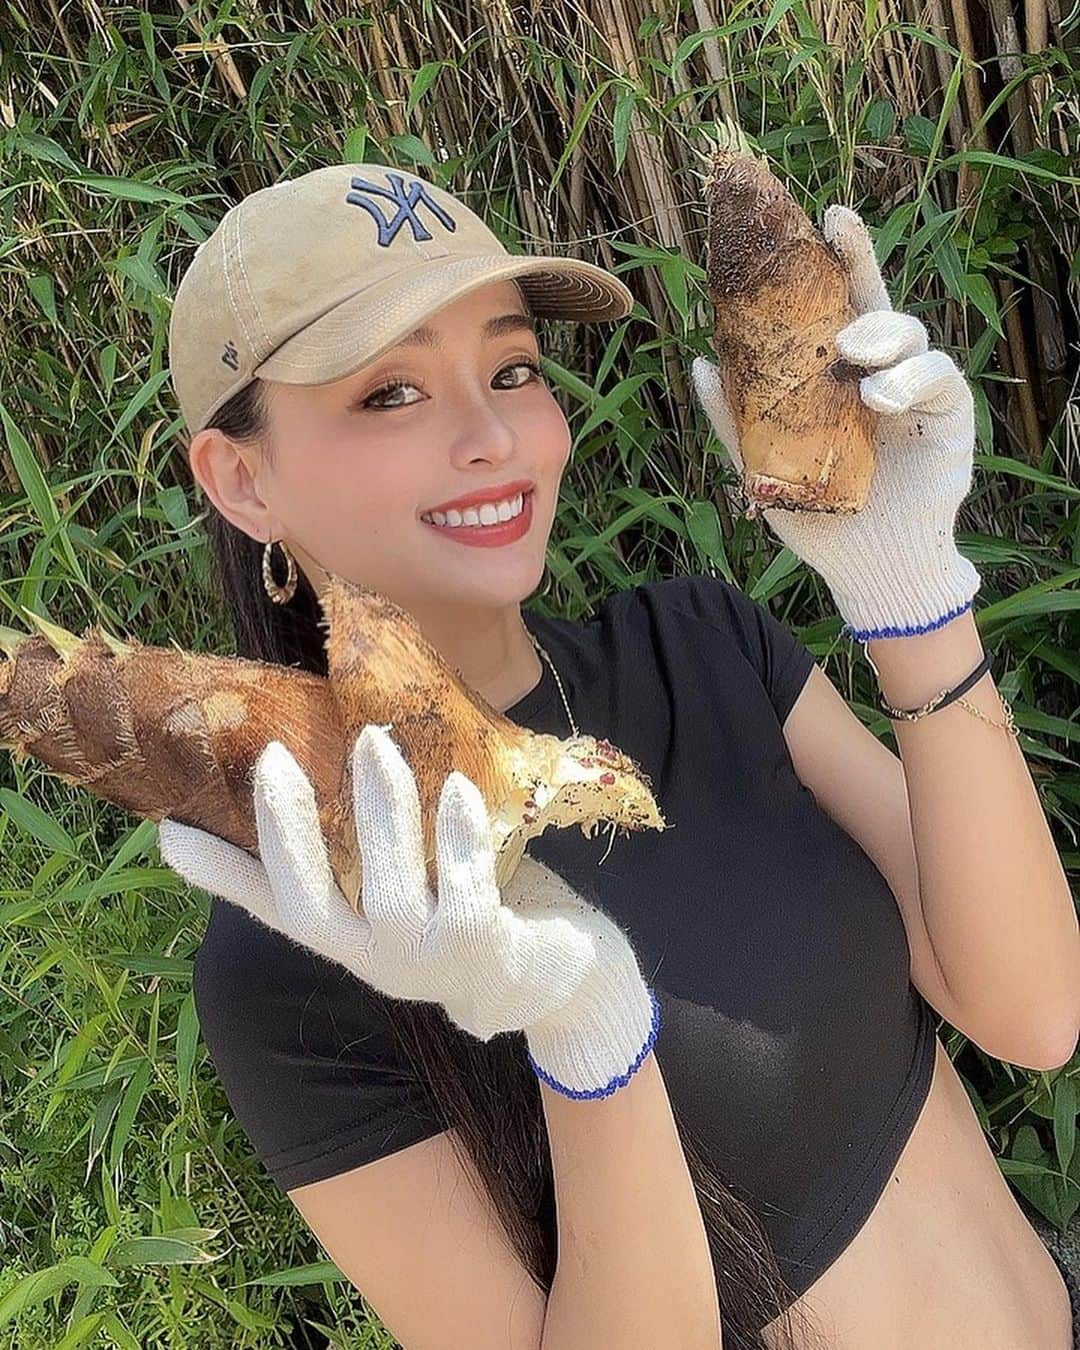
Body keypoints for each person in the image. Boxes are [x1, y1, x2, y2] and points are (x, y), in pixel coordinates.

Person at [159, 162, 1080, 1349]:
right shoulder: (310, 935)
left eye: (511, 369)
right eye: (391, 394)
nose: (492, 436)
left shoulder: (700, 649)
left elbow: (1038, 1013)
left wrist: (911, 597)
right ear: (241, 478)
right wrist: (587, 1032)